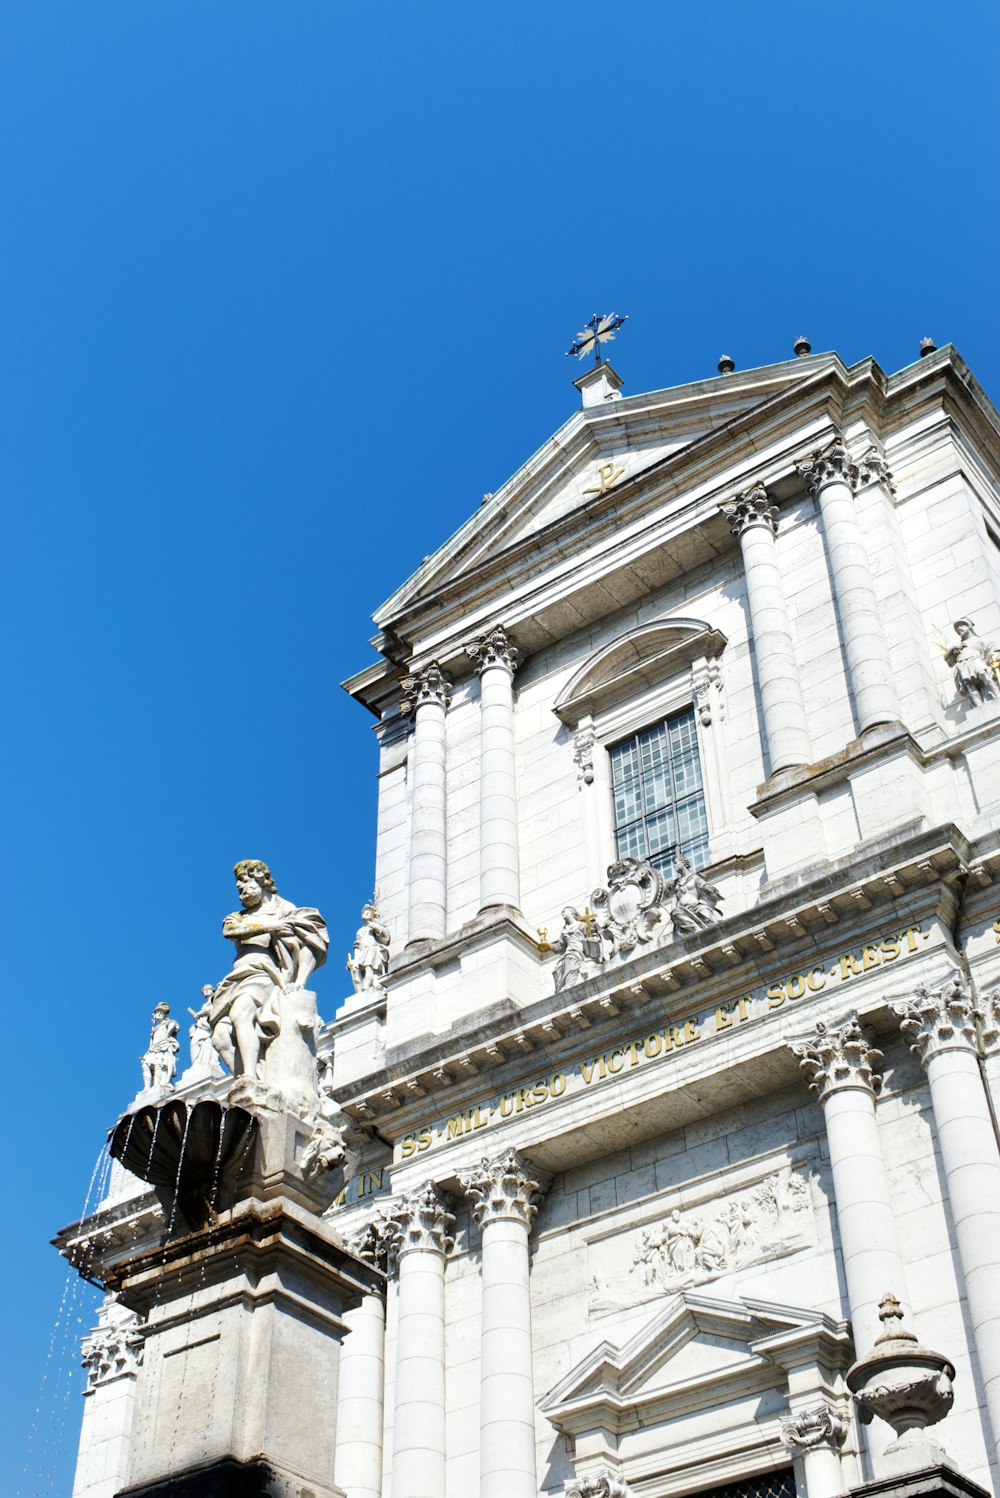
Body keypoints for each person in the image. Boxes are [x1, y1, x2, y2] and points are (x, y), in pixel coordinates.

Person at [210, 860, 328, 1081]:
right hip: (235, 978)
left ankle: (249, 1078)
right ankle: (254, 1080)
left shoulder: (285, 910)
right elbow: (230, 930)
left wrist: (300, 982)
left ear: (260, 879)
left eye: (244, 882)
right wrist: (269, 926)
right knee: (220, 1037)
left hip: (262, 974)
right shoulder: (239, 917)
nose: (240, 889)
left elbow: (312, 942)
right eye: (238, 886)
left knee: (240, 1013)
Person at [946, 618, 1000, 705]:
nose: (959, 628)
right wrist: (952, 650)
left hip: (978, 664)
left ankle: (998, 696)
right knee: (970, 687)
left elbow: (993, 654)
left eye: (962, 625)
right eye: (957, 628)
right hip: (964, 668)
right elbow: (950, 662)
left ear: (969, 626)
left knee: (984, 675)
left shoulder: (981, 641)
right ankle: (979, 706)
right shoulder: (959, 647)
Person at [668, 852, 722, 933]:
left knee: (709, 919)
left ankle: (699, 928)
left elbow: (705, 886)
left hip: (696, 908)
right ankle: (696, 929)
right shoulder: (676, 884)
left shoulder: (694, 878)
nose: (674, 865)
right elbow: (673, 897)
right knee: (675, 914)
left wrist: (710, 889)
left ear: (683, 862)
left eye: (675, 863)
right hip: (683, 910)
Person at [351, 901, 391, 992]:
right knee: (356, 969)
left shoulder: (372, 926)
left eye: (368, 912)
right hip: (362, 951)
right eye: (365, 912)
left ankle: (366, 986)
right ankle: (361, 989)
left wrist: (374, 925)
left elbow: (386, 936)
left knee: (369, 967)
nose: (366, 914)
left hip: (371, 948)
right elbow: (357, 944)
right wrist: (356, 953)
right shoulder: (359, 931)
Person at [140, 1003, 180, 1091]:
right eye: (157, 1012)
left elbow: (173, 1027)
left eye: (160, 1012)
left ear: (165, 1014)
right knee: (146, 1065)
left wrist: (168, 1035)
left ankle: (156, 1086)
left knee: (158, 1065)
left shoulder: (169, 1022)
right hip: (153, 1049)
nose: (158, 1014)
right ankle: (147, 1088)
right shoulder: (155, 1028)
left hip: (163, 1047)